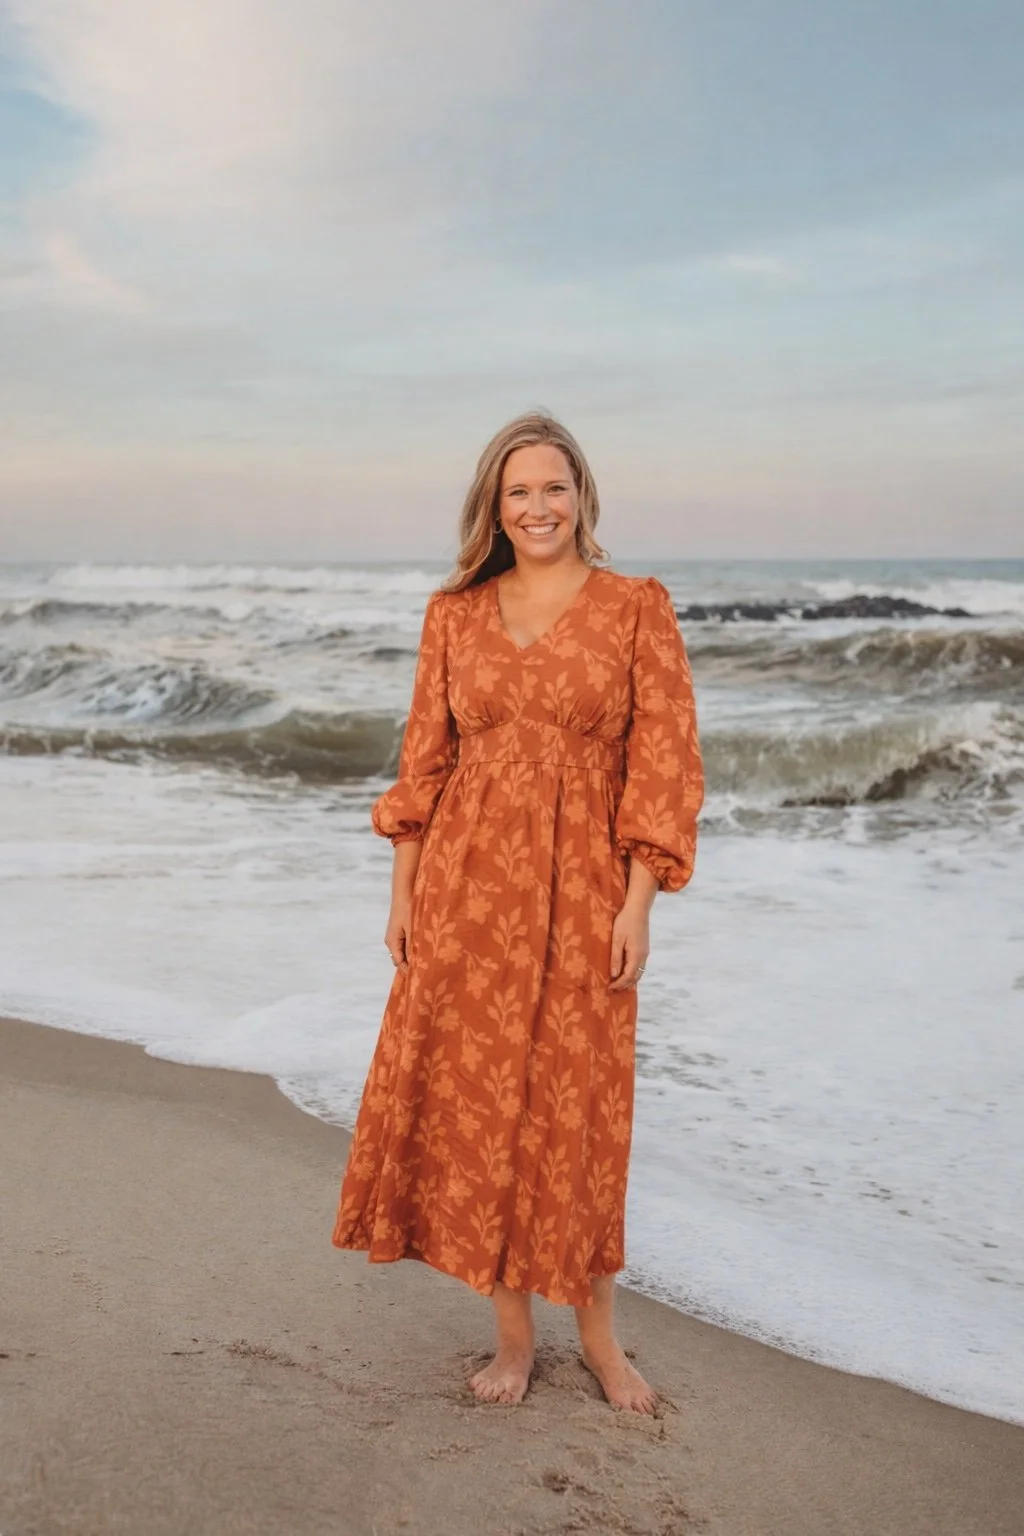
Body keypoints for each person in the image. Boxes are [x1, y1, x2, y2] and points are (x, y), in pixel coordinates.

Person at [332, 412, 703, 1412]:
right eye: (519, 493)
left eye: (553, 488)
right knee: (482, 1108)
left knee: (577, 1115)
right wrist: (403, 897)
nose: (538, 508)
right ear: (494, 510)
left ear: (581, 496)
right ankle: (512, 1341)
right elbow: (423, 765)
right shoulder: (454, 614)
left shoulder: (636, 607)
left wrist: (639, 905)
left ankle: (600, 1341)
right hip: (465, 891)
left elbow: (664, 767)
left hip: (584, 894)